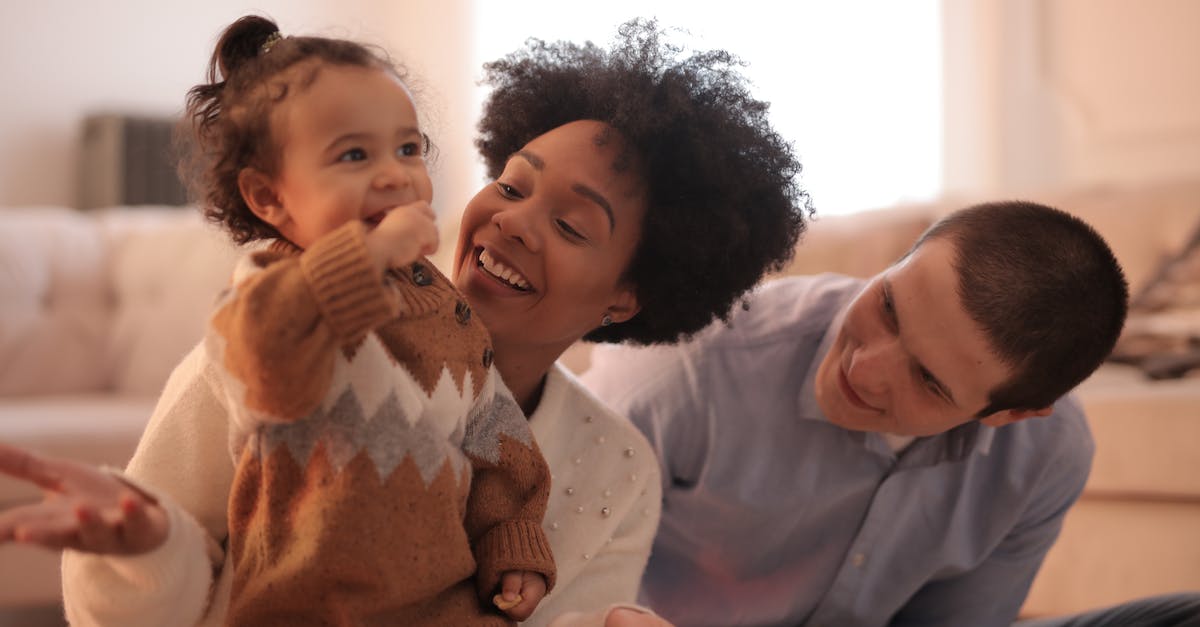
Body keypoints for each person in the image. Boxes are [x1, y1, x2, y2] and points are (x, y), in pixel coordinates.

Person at [0, 17, 811, 627]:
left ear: (625, 294)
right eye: (511, 184)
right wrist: (148, 549)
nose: (511, 221)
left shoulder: (617, 470)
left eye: (570, 225)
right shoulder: (281, 336)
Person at [582, 200, 1151, 627]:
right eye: (889, 307)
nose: (864, 369)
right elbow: (551, 574)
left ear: (1010, 414)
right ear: (896, 261)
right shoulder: (687, 367)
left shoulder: (1047, 457)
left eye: (928, 380)